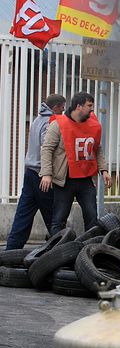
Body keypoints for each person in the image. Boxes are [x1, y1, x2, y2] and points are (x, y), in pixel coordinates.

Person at [39, 92, 112, 235]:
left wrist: (104, 170)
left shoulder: (93, 124)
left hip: (85, 179)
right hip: (64, 180)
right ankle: (56, 252)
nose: (92, 109)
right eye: (89, 105)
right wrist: (46, 174)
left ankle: (91, 250)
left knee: (92, 217)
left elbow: (97, 148)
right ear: (78, 106)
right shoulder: (58, 124)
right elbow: (47, 149)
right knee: (59, 218)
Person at [5, 94, 66, 250]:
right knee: (53, 216)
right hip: (42, 175)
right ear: (56, 107)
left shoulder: (37, 120)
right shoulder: (49, 123)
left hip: (30, 173)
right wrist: (50, 173)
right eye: (63, 107)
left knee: (23, 214)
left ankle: (11, 251)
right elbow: (47, 148)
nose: (64, 110)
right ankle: (62, 250)